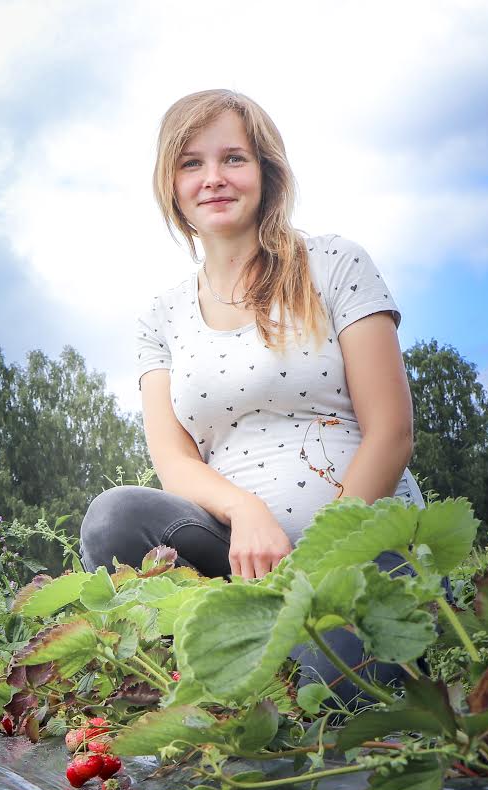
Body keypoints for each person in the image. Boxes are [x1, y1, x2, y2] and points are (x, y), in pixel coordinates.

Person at [79, 89, 424, 698]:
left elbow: (391, 431)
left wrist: (321, 555)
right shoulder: (162, 317)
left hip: (360, 547)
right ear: (171, 184)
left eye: (233, 159)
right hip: (238, 557)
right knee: (115, 517)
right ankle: (196, 677)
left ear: (266, 172)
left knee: (335, 701)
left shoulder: (334, 264)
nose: (213, 178)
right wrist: (246, 512)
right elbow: (173, 459)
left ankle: (289, 659)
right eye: (191, 163)